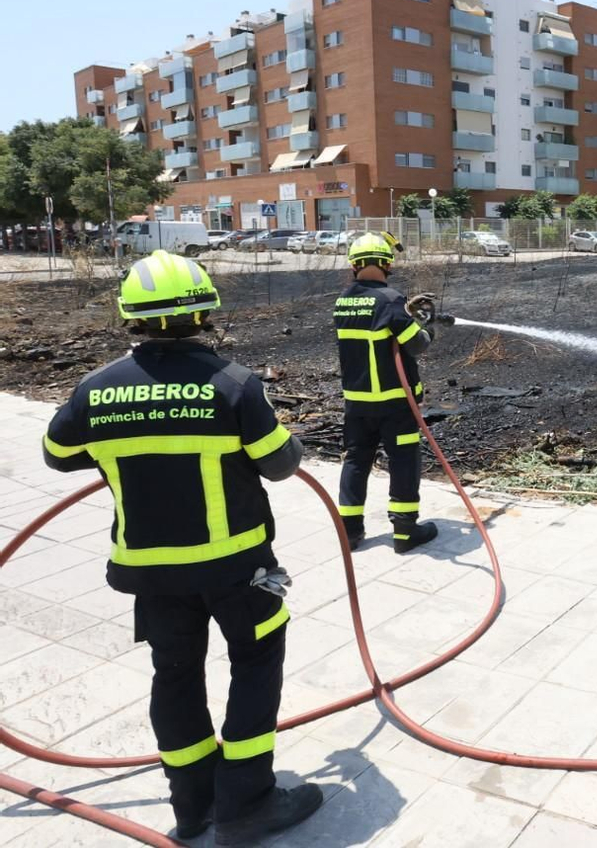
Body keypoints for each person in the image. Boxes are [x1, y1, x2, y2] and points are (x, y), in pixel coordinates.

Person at [41, 251, 322, 845]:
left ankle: (192, 806)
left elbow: (57, 454)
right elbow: (281, 465)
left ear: (130, 318)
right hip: (236, 565)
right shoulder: (234, 384)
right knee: (254, 665)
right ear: (204, 311)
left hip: (151, 570)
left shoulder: (96, 389)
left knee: (173, 675)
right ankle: (247, 804)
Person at [333, 232, 439, 552]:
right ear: (386, 262)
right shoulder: (390, 300)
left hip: (357, 402)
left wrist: (405, 315)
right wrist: (426, 322)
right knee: (403, 459)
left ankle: (349, 531)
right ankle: (405, 531)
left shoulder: (343, 301)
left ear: (354, 264)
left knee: (356, 460)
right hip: (395, 402)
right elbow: (417, 344)